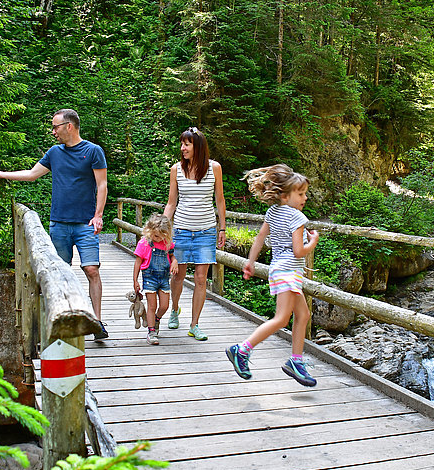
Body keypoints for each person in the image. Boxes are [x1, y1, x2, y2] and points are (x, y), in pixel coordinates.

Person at [0, 108, 110, 340]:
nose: (53, 132)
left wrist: (98, 215)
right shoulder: (54, 153)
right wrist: (1, 174)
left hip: (85, 223)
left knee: (92, 270)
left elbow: (102, 185)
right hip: (59, 223)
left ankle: (97, 322)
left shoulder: (93, 151)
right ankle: (61, 321)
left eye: (56, 127)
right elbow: (31, 174)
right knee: (59, 272)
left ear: (69, 126)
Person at [226, 164, 320, 387]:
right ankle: (241, 350)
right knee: (281, 319)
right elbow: (299, 251)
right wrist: (313, 242)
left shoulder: (273, 212)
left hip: (279, 269)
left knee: (303, 315)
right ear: (285, 196)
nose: (304, 198)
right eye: (300, 194)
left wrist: (250, 262)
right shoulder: (298, 218)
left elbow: (259, 238)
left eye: (305, 193)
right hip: (289, 271)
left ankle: (295, 361)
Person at [163, 127, 226, 341]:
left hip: (205, 231)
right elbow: (172, 203)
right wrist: (163, 228)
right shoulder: (176, 169)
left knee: (201, 279)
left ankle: (194, 324)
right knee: (178, 275)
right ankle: (174, 309)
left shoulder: (214, 168)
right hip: (180, 230)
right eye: (181, 144)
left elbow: (219, 200)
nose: (182, 148)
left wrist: (222, 228)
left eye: (186, 144)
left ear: (197, 146)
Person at [132, 214, 178, 345]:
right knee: (152, 305)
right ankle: (151, 331)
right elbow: (137, 262)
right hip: (149, 278)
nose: (156, 238)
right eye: (154, 235)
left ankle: (156, 319)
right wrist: (135, 280)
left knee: (164, 306)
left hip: (164, 278)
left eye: (159, 236)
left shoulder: (167, 244)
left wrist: (174, 261)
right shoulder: (144, 243)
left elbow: (172, 256)